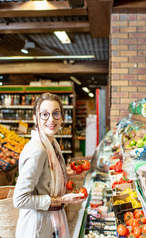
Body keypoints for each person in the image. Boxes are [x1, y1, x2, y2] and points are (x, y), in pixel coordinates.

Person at [13, 93, 87, 238]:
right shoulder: (37, 150)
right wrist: (62, 200)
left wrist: (65, 173)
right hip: (36, 228)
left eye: (56, 114)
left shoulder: (51, 143)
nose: (51, 119)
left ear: (62, 117)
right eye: (44, 114)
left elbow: (46, 175)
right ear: (35, 118)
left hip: (50, 223)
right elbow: (20, 200)